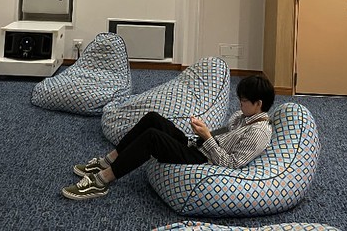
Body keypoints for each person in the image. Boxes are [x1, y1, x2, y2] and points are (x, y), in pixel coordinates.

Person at [61, 73, 275, 200]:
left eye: (244, 101)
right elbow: (222, 136)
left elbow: (231, 164)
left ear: (259, 104)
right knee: (154, 118)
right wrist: (203, 132)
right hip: (198, 145)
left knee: (153, 137)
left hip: (204, 159)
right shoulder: (242, 116)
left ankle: (101, 181)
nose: (240, 104)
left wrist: (207, 137)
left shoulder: (259, 132)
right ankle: (108, 160)